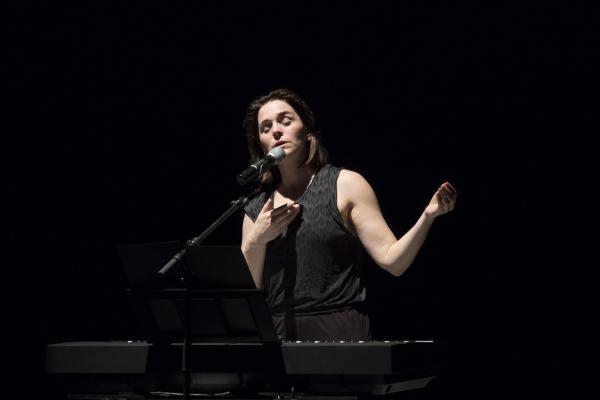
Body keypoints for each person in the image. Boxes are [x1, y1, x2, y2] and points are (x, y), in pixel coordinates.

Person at [241, 88, 457, 341]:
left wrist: (428, 216)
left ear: (307, 131)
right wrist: (256, 241)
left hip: (338, 334)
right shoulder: (256, 206)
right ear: (261, 143)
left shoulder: (345, 185)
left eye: (285, 121)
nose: (276, 131)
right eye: (265, 128)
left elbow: (393, 261)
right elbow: (248, 292)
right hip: (278, 337)